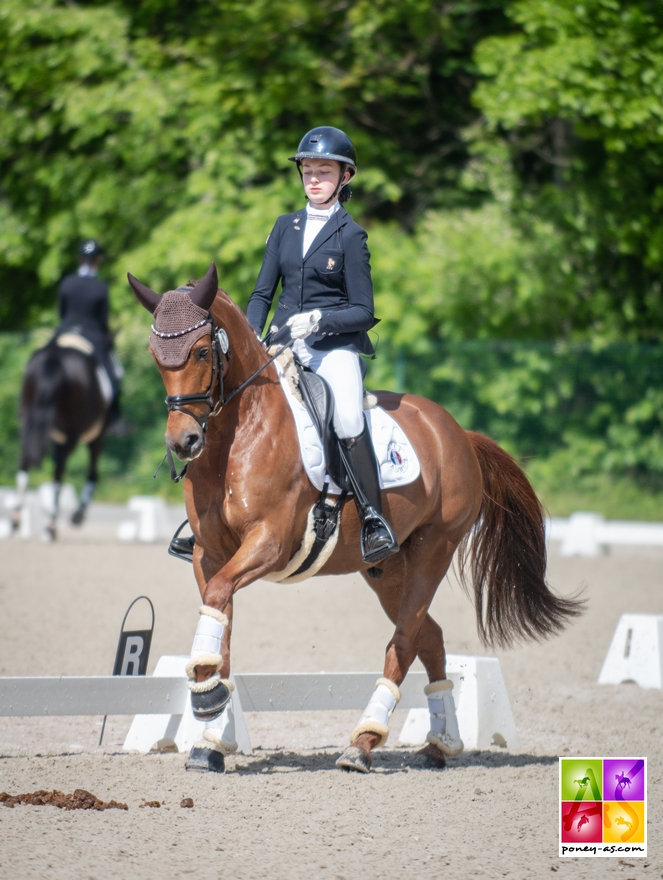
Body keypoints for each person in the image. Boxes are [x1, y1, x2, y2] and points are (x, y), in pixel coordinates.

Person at [246, 126, 399, 564]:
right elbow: (262, 294)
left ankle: (372, 518)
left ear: (344, 177)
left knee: (349, 417)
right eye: (308, 171)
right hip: (281, 344)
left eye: (324, 172)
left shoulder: (352, 236)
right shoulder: (284, 226)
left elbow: (364, 310)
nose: (314, 179)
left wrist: (320, 319)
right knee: (235, 401)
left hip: (332, 347)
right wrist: (255, 335)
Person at [56, 239, 125, 429]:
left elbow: (62, 313)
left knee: (42, 355)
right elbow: (101, 321)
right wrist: (108, 338)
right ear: (98, 261)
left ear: (79, 259)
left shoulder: (67, 283)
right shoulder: (100, 287)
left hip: (65, 331)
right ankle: (114, 418)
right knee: (114, 373)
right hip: (92, 335)